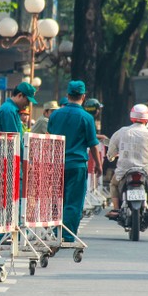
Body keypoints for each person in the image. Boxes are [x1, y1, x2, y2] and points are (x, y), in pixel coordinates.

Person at [47, 80, 103, 242]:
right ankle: (67, 235)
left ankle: (54, 230)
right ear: (83, 97)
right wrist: (98, 165)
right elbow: (93, 144)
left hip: (56, 164)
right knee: (74, 202)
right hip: (77, 165)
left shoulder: (55, 114)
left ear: (67, 95)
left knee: (57, 199)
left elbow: (49, 136)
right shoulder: (86, 117)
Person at [105, 103, 148, 221]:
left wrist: (111, 157)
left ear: (132, 116)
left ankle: (116, 209)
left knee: (113, 184)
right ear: (146, 118)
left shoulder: (121, 131)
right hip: (144, 170)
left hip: (123, 170)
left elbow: (111, 150)